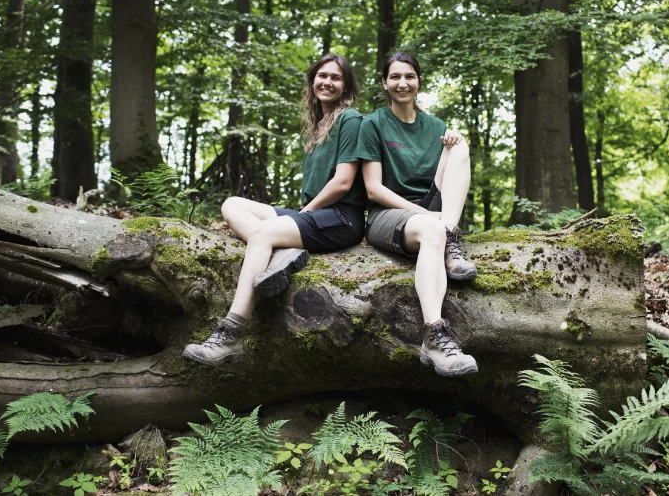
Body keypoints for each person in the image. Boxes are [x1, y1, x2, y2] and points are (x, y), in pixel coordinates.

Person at [183, 54, 366, 365]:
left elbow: (343, 182)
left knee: (262, 235)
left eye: (336, 78)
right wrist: (304, 213)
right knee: (232, 204)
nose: (327, 82)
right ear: (312, 81)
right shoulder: (317, 126)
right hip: (314, 214)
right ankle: (280, 252)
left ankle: (231, 333)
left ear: (346, 86)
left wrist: (305, 212)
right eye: (322, 75)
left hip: (341, 219)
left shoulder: (351, 119)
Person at [356, 51, 478, 377]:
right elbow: (372, 189)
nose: (402, 83)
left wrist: (452, 141)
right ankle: (434, 335)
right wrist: (425, 214)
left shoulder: (434, 126)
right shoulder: (373, 124)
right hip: (388, 215)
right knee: (431, 229)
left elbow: (447, 174)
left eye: (409, 76)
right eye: (395, 77)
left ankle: (449, 238)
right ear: (384, 82)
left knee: (460, 143)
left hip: (432, 214)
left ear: (419, 81)